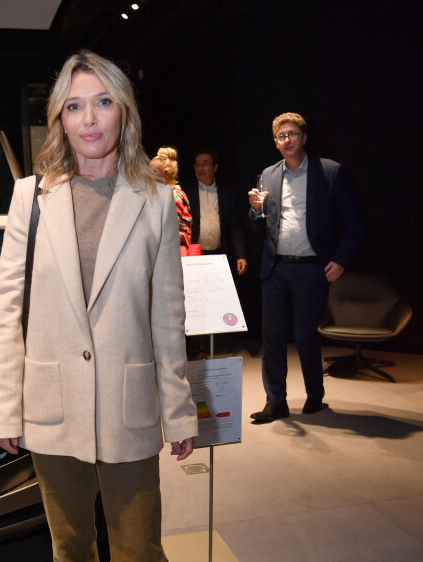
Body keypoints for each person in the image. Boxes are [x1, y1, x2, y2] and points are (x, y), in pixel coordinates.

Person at [0, 50, 198, 562]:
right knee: (73, 555)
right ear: (58, 118)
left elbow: (167, 314)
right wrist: (3, 405)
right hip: (50, 410)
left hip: (132, 408)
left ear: (124, 112)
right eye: (73, 106)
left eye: (101, 103)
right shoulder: (29, 198)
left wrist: (181, 412)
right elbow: (8, 307)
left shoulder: (154, 199)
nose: (88, 119)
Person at [248, 112, 362, 423]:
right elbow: (259, 227)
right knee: (271, 337)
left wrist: (340, 260)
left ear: (304, 137)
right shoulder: (268, 174)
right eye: (281, 136)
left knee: (305, 335)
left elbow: (354, 224)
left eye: (292, 134)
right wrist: (255, 211)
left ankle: (314, 395)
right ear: (275, 142)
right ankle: (276, 402)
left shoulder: (329, 172)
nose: (287, 140)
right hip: (275, 270)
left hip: (312, 269)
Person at [184, 146, 247, 275]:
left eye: (205, 164)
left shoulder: (227, 193)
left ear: (215, 167)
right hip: (193, 256)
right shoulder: (185, 192)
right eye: (197, 165)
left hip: (220, 254)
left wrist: (241, 255)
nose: (200, 168)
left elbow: (236, 227)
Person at [149, 146, 192, 247]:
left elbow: (186, 233)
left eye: (154, 171)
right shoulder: (155, 194)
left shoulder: (175, 196)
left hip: (172, 252)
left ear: (166, 173)